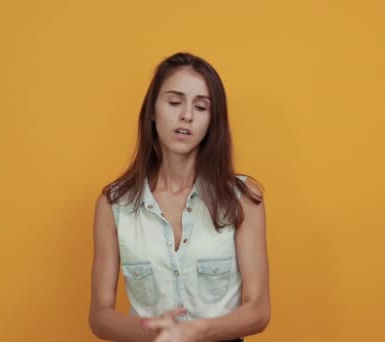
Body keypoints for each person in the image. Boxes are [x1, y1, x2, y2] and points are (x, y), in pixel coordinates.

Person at [89, 52, 270, 342]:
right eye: (174, 102)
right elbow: (99, 316)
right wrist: (153, 331)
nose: (186, 115)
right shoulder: (114, 205)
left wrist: (194, 331)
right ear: (152, 110)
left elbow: (259, 310)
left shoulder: (243, 198)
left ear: (213, 120)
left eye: (201, 107)